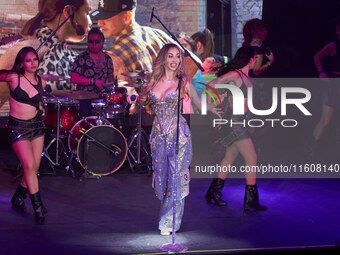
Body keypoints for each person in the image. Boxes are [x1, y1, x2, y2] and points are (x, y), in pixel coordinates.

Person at [139, 44, 220, 235]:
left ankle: (168, 223)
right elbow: (145, 103)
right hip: (158, 135)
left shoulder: (182, 81)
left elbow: (199, 103)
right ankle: (167, 216)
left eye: (177, 57)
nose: (174, 60)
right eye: (170, 56)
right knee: (162, 179)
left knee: (176, 180)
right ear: (164, 58)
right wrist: (140, 102)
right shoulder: (152, 81)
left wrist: (213, 109)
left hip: (178, 135)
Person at [205, 46, 267, 212]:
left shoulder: (246, 76)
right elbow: (211, 84)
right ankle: (250, 201)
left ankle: (213, 192)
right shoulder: (236, 75)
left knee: (230, 156)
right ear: (250, 58)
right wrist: (212, 105)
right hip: (234, 122)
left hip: (239, 120)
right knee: (251, 158)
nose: (256, 61)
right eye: (255, 58)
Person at [0, 0, 92, 92]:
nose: (90, 22)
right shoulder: (25, 50)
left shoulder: (67, 53)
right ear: (68, 12)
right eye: (87, 12)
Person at [0, 47, 47, 223]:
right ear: (22, 63)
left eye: (35, 59)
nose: (33, 63)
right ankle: (38, 208)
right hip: (18, 128)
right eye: (28, 60)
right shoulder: (14, 78)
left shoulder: (40, 81)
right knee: (28, 166)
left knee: (33, 169)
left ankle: (18, 197)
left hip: (37, 127)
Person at [310, 19, 340, 156]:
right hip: (334, 85)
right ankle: (311, 152)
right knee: (325, 120)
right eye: (338, 30)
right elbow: (317, 56)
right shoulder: (333, 46)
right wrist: (321, 72)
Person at [71, 27, 114, 117]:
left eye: (97, 42)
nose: (94, 44)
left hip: (101, 97)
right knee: (86, 115)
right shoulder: (81, 58)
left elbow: (110, 77)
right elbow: (73, 78)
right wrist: (93, 81)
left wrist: (109, 87)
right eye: (91, 41)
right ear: (88, 42)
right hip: (84, 98)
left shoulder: (107, 59)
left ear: (103, 42)